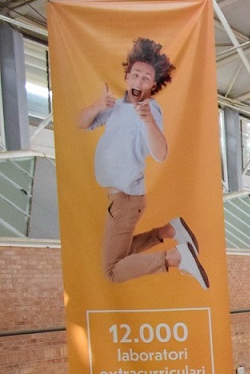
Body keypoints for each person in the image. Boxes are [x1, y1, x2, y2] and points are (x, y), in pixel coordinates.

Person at [77, 37, 207, 288]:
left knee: (112, 270)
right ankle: (167, 231)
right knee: (119, 257)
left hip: (126, 199)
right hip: (119, 199)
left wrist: (148, 122)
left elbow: (161, 153)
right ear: (127, 77)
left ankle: (175, 257)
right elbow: (80, 123)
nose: (139, 81)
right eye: (135, 75)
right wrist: (97, 105)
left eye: (146, 78)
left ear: (153, 85)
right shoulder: (115, 107)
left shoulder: (149, 109)